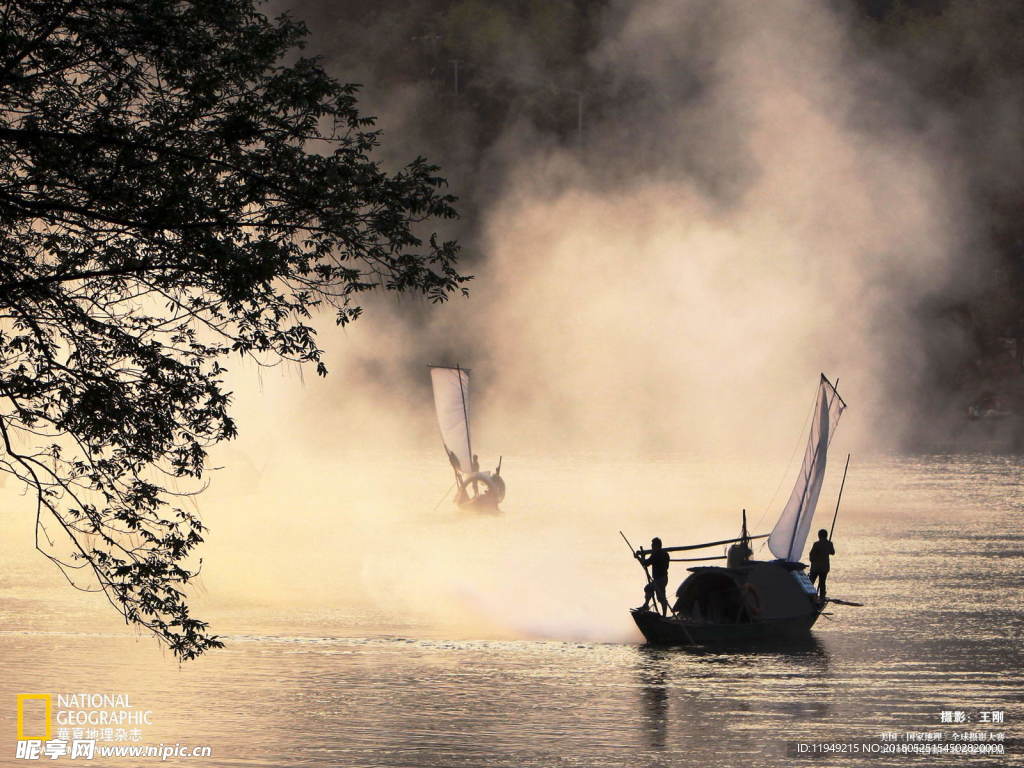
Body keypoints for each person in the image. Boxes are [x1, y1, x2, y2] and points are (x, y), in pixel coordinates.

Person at [637, 537, 670, 616]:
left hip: (659, 580)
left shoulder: (656, 554)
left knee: (648, 588)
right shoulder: (665, 554)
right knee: (661, 597)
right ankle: (664, 615)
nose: (651, 546)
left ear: (656, 545)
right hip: (664, 579)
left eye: (653, 545)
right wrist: (642, 557)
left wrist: (639, 557)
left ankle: (646, 605)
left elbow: (645, 563)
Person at [808, 528, 835, 600]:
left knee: (811, 582)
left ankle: (809, 595)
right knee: (822, 582)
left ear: (819, 536)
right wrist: (828, 546)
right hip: (824, 568)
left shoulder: (816, 544)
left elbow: (811, 554)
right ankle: (822, 596)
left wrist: (812, 560)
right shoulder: (829, 543)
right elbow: (832, 552)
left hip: (816, 567)